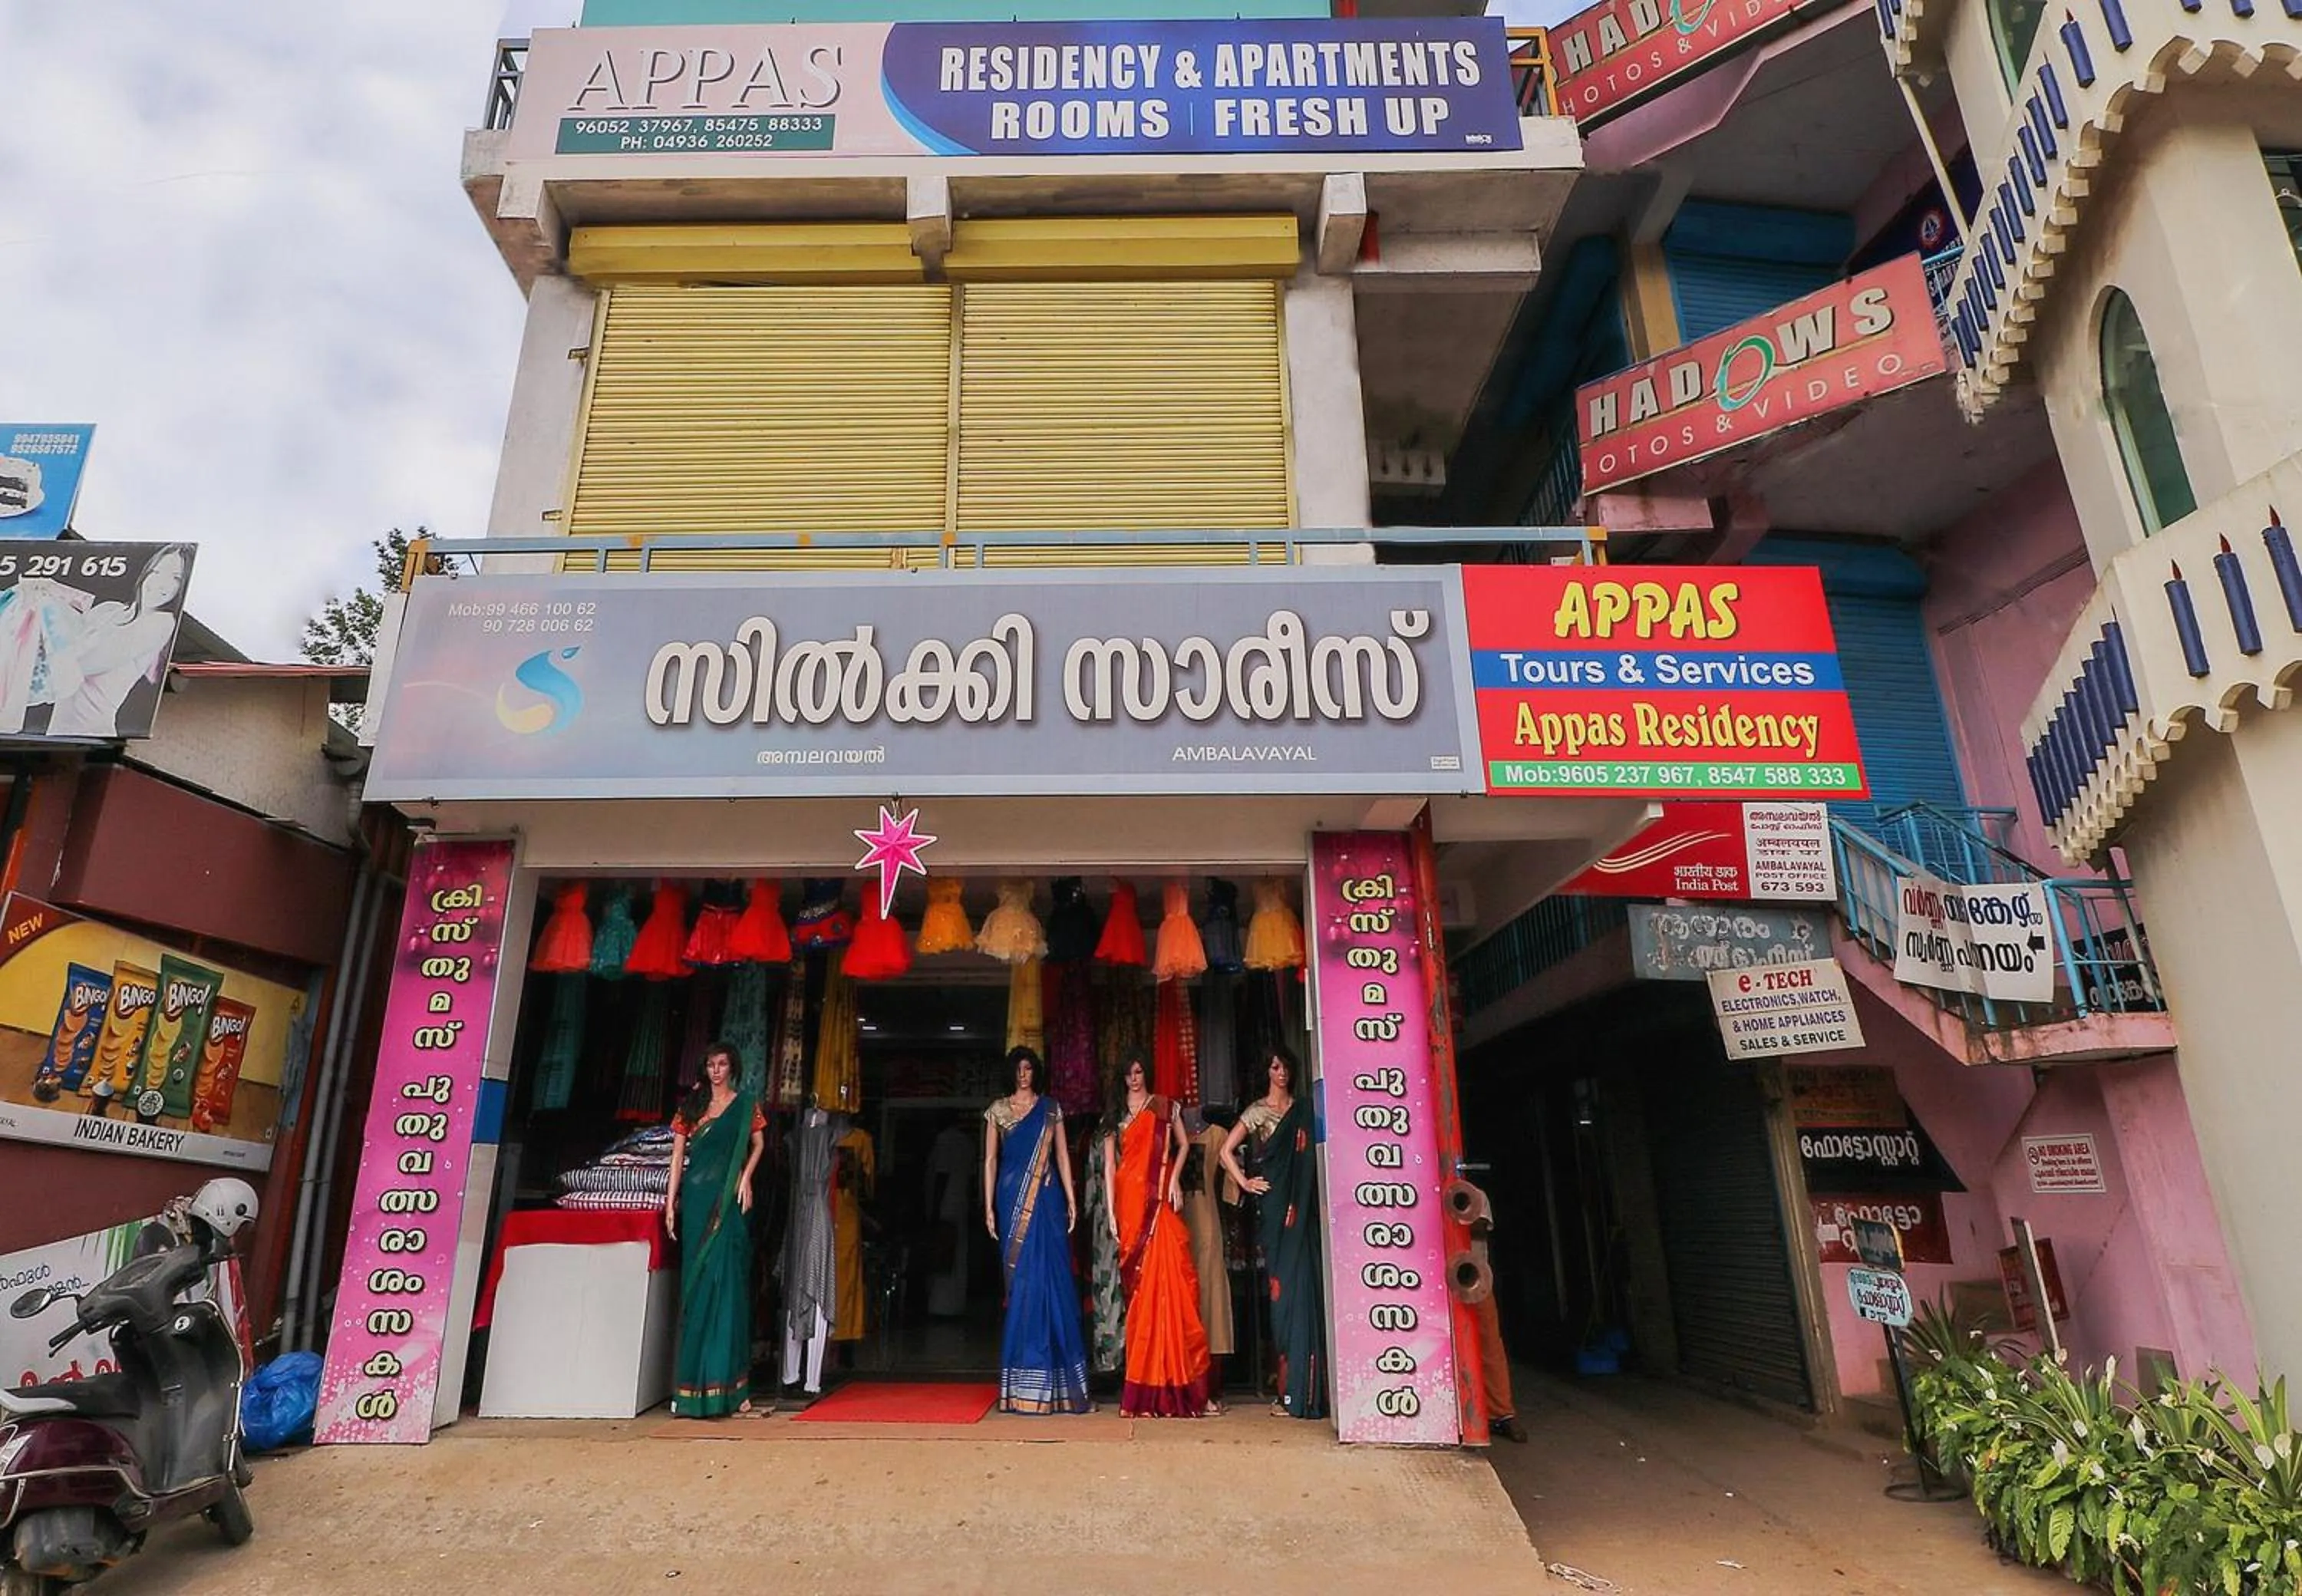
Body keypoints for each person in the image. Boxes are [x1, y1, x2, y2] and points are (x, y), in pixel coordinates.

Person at [1103, 1051, 1217, 1417]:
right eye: (1129, 1074)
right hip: (1129, 1207)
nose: (1134, 1079)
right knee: (1140, 1300)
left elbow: (1183, 1145)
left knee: (1175, 1288)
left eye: (1139, 1072)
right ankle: (1143, 1390)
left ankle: (1180, 1385)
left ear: (1146, 1073)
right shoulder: (1115, 1116)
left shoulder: (1165, 1108)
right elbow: (1110, 1168)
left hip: (1158, 1204)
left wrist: (1173, 1180)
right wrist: (1111, 1214)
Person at [982, 1045, 1091, 1415]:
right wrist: (988, 1206)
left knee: (1054, 1282)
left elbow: (1061, 1155)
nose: (1023, 1075)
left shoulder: (1050, 1109)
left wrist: (1072, 1198)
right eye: (1018, 1069)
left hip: (1047, 1199)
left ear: (1036, 1072)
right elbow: (991, 1160)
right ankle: (1022, 1387)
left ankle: (1058, 1387)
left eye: (1028, 1068)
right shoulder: (998, 1111)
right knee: (1023, 1286)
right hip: (1011, 1200)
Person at [1220, 1046, 1327, 1421]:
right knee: (1282, 1295)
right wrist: (1245, 1182)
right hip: (1275, 1207)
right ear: (1267, 1071)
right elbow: (1225, 1151)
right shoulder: (1257, 1111)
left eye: (1285, 1067)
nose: (1281, 1073)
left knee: (1304, 1287)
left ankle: (1305, 1390)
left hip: (1303, 1209)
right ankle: (1287, 1389)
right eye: (1275, 1067)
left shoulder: (1303, 1110)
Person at [662, 1041, 767, 1418]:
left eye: (722, 1064)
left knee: (730, 1290)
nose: (717, 1071)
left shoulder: (746, 1105)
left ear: (732, 1067)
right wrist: (670, 1203)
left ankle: (734, 1390)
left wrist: (745, 1176)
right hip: (697, 1202)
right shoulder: (691, 1107)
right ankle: (690, 1389)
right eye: (711, 1065)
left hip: (729, 1202)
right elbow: (677, 1156)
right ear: (704, 1069)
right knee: (698, 1288)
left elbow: (758, 1143)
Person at [0, 544, 190, 737]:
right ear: (146, 573)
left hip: (93, 735)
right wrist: (41, 596)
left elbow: (81, 663)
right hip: (56, 731)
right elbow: (62, 638)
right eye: (156, 572)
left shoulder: (160, 623)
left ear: (182, 587)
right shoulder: (109, 610)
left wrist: (48, 604)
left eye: (175, 578)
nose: (162, 583)